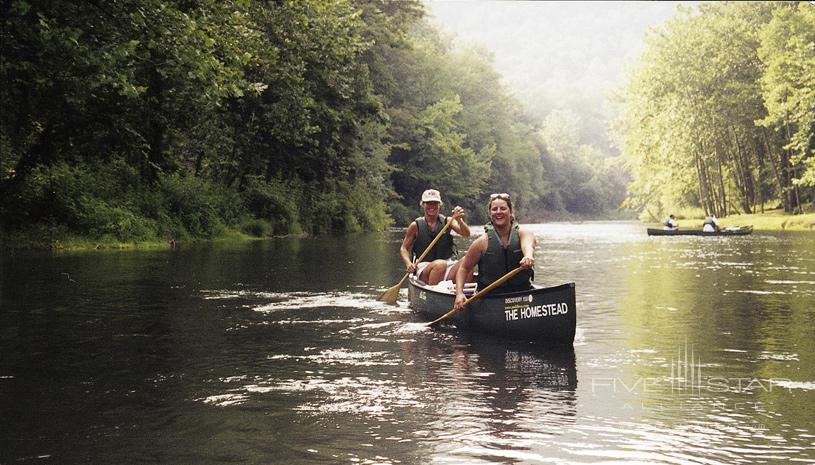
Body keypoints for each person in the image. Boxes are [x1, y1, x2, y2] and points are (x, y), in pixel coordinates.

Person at [453, 193, 536, 311]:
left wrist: (528, 256)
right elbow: (464, 269)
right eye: (494, 209)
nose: (498, 212)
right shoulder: (481, 243)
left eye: (503, 208)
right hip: (490, 298)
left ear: (511, 212)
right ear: (490, 214)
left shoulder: (524, 233)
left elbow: (528, 246)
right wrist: (459, 294)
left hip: (521, 294)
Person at [400, 189, 471, 285]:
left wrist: (460, 221)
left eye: (435, 203)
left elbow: (466, 234)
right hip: (424, 268)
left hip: (448, 265)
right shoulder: (415, 226)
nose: (431, 206)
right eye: (428, 203)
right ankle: (435, 293)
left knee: (470, 259)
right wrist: (408, 263)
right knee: (439, 264)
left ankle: (462, 293)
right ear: (422, 204)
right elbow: (404, 248)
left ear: (440, 205)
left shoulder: (448, 221)